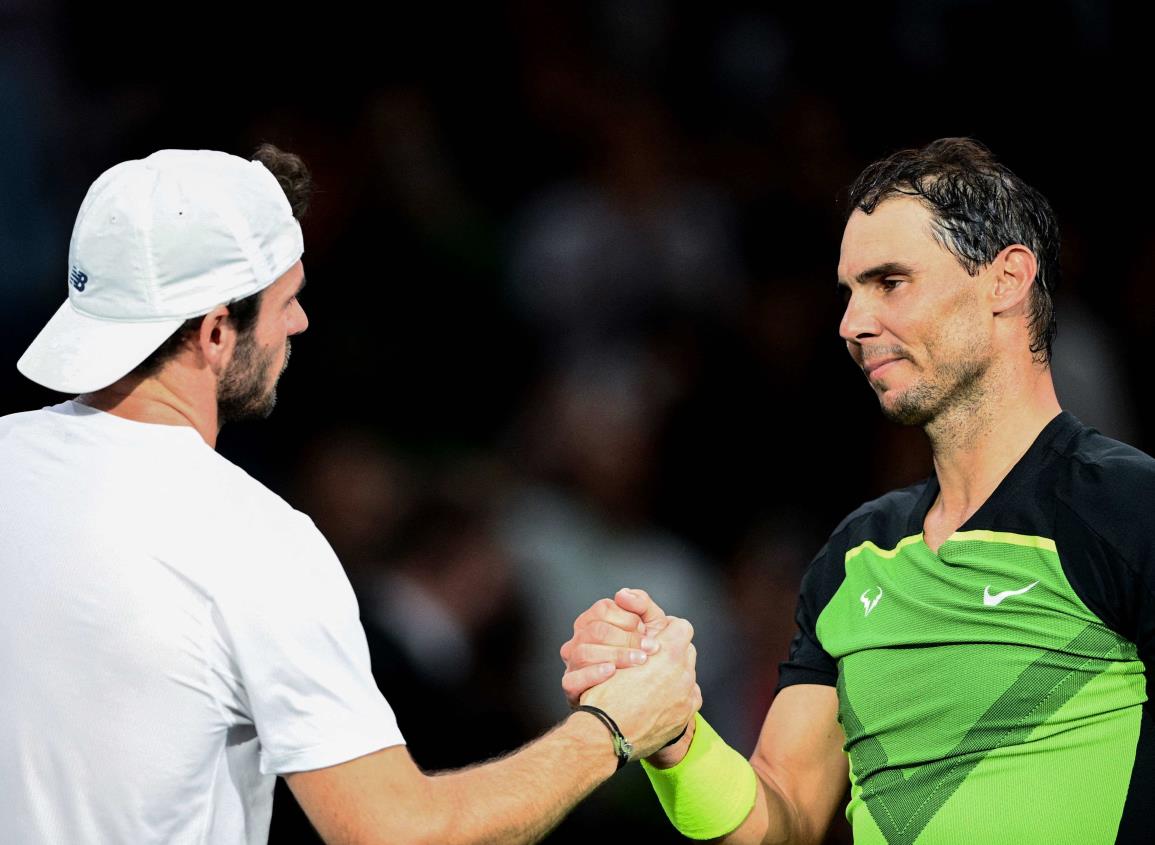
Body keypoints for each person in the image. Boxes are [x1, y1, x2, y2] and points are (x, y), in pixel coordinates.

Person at [0, 146, 700, 844]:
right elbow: (399, 834)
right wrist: (611, 727)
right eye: (286, 300)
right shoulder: (256, 542)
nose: (299, 323)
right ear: (215, 333)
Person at [561, 138, 1155, 844]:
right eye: (848, 292)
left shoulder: (1128, 508)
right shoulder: (854, 553)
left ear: (1005, 280)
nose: (851, 324)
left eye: (889, 282)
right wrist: (674, 737)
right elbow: (779, 814)